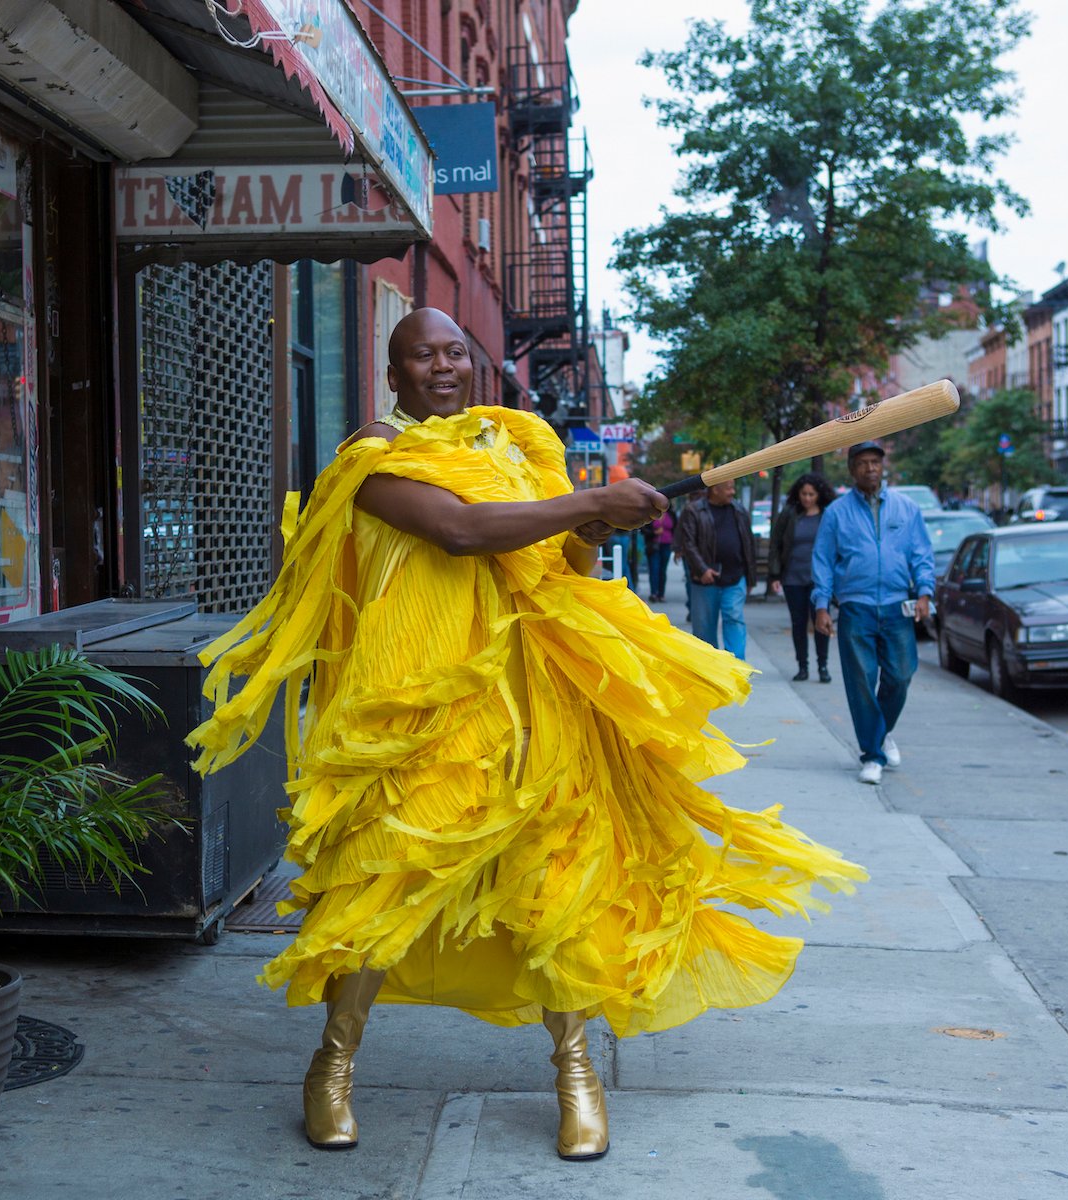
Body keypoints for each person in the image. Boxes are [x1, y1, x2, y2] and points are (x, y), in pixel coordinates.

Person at [188, 308, 863, 1163]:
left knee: (560, 880)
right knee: (380, 882)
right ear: (391, 376)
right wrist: (587, 500)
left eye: (456, 354)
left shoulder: (510, 450)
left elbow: (551, 564)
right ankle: (333, 1065)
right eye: (422, 355)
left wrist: (587, 532)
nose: (445, 366)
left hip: (533, 702)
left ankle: (575, 1074)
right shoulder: (372, 457)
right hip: (418, 711)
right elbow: (459, 532)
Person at [811, 441, 936, 786]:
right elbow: (823, 561)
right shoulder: (836, 513)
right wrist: (821, 605)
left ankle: (880, 731)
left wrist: (925, 592)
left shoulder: (907, 509)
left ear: (883, 468)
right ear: (852, 470)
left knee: (901, 675)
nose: (870, 469)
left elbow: (922, 553)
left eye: (875, 463)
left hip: (897, 604)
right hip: (856, 606)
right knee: (861, 682)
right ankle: (872, 755)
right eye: (863, 463)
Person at [672, 479, 754, 659]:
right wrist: (702, 570)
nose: (732, 492)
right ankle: (711, 671)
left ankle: (737, 669)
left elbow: (748, 544)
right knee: (704, 629)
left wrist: (750, 576)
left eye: (733, 487)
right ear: (715, 489)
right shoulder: (693, 510)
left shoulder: (739, 510)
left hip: (735, 577)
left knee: (734, 619)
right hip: (705, 581)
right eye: (729, 488)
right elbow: (689, 543)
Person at [768, 473, 834, 683]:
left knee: (821, 622)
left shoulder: (827, 515)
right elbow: (776, 544)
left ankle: (822, 665)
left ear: (819, 495)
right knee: (798, 623)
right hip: (793, 577)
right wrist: (775, 574)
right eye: (804, 494)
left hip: (819, 580)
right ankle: (802, 666)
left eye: (811, 494)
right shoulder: (789, 514)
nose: (807, 498)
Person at [644, 507, 675, 602]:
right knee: (654, 568)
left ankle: (661, 594)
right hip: (653, 546)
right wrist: (654, 533)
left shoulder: (671, 514)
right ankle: (653, 593)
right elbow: (644, 529)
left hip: (666, 545)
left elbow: (676, 528)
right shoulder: (650, 513)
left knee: (662, 570)